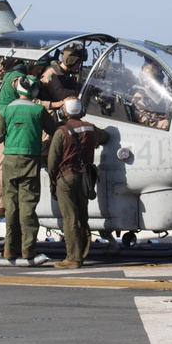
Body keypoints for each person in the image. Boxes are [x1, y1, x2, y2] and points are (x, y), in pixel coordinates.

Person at [0, 75, 57, 260]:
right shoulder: (38, 110)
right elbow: (53, 129)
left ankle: (9, 248)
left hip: (10, 161)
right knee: (28, 205)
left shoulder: (6, 110)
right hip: (30, 160)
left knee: (11, 206)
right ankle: (28, 248)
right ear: (34, 91)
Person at [47, 96, 109, 269]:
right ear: (81, 111)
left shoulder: (61, 131)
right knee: (82, 217)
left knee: (70, 219)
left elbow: (52, 161)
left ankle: (73, 258)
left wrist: (53, 180)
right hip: (84, 178)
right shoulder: (90, 128)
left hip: (65, 178)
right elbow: (105, 136)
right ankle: (82, 253)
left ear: (63, 112)